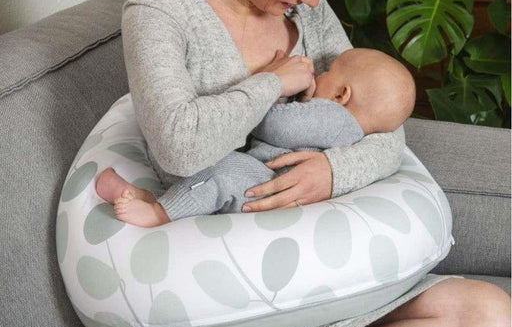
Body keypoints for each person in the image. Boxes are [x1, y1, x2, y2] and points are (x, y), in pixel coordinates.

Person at [96, 0, 511, 327]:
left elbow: (383, 127)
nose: (313, 1)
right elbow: (179, 147)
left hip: (327, 251)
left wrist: (332, 171)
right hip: (253, 269)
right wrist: (271, 83)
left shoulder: (306, 12)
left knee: (492, 316)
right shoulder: (160, 18)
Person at [97, 47, 417, 225]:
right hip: (267, 178)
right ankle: (153, 199)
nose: (320, 73)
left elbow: (276, 127)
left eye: (327, 72)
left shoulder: (336, 118)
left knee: (219, 172)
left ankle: (159, 214)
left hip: (268, 184)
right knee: (214, 170)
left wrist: (273, 88)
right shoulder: (348, 127)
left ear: (342, 94)